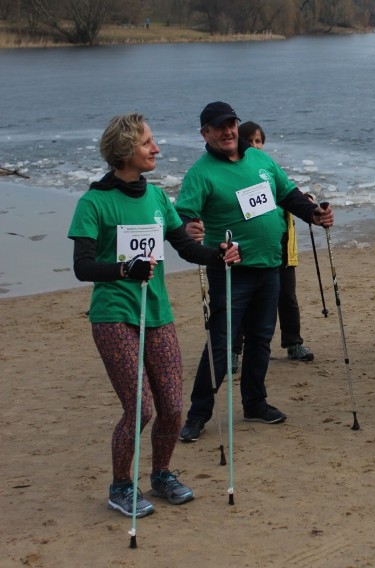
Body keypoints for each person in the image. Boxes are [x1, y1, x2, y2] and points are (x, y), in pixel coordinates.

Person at [67, 113, 241, 517]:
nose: (156, 149)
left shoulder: (159, 198)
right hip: (114, 316)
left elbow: (186, 248)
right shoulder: (94, 202)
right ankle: (121, 487)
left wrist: (219, 255)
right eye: (148, 143)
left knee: (173, 407)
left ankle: (161, 475)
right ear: (126, 150)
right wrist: (124, 269)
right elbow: (83, 266)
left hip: (158, 314)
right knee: (141, 408)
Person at [176, 102, 333, 443]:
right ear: (205, 133)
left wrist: (314, 214)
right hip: (231, 272)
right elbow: (184, 216)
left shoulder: (261, 160)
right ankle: (198, 414)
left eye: (231, 124)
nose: (228, 131)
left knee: (261, 339)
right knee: (221, 344)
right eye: (219, 127)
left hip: (270, 265)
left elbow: (288, 194)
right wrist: (190, 228)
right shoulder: (200, 173)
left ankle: (255, 402)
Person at [229, 121, 314, 374]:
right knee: (243, 304)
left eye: (259, 141)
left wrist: (306, 203)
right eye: (250, 141)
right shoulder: (241, 175)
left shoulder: (269, 169)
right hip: (251, 253)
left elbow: (288, 193)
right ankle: (234, 351)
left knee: (287, 298)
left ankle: (293, 343)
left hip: (283, 250)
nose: (255, 146)